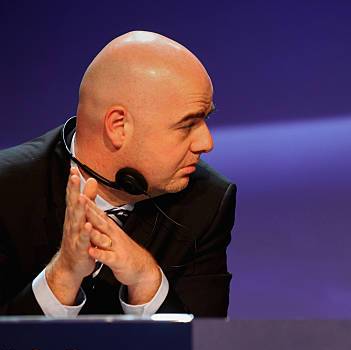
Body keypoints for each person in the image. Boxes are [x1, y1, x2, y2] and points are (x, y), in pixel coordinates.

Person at [0, 31, 236, 317]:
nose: (206, 143)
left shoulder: (206, 201)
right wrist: (61, 277)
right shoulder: (7, 190)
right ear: (118, 126)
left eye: (205, 119)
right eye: (188, 125)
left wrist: (147, 281)